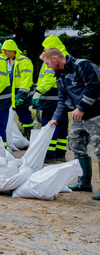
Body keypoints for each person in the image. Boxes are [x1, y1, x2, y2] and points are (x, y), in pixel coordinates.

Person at [44, 48, 100, 200]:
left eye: (48, 63)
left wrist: (81, 107)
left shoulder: (83, 66)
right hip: (78, 118)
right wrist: (55, 118)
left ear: (55, 58)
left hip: (96, 114)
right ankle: (84, 182)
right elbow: (62, 100)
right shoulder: (60, 76)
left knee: (99, 149)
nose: (47, 67)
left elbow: (94, 86)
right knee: (76, 146)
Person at [33, 35, 70, 163]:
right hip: (63, 96)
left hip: (50, 96)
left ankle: (48, 154)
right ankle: (60, 153)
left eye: (45, 47)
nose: (44, 50)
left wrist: (39, 91)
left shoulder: (52, 58)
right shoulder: (65, 55)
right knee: (62, 123)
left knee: (50, 124)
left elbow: (49, 77)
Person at [2, 39, 35, 139]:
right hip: (11, 93)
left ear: (13, 50)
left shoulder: (24, 61)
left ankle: (30, 136)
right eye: (3, 50)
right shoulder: (5, 61)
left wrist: (21, 95)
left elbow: (26, 79)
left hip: (21, 92)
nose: (4, 52)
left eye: (6, 50)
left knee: (24, 115)